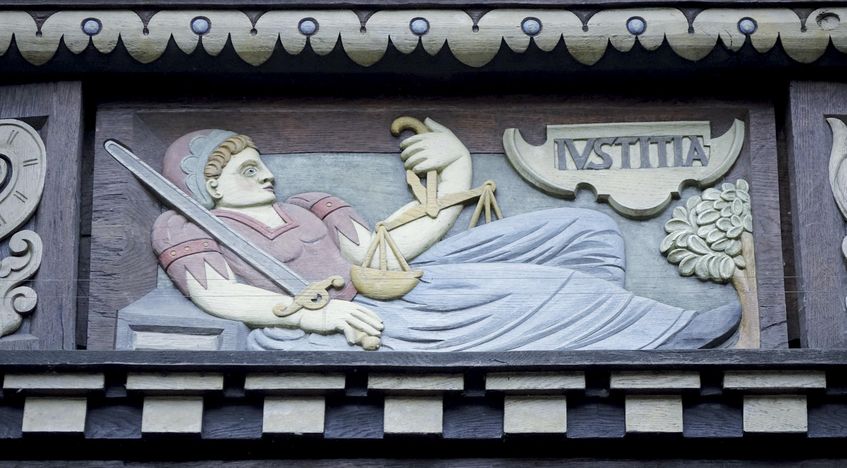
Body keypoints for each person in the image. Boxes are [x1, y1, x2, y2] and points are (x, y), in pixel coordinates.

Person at [152, 120, 741, 351]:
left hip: (386, 283)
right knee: (546, 288)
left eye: (262, 164)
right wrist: (317, 316)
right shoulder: (187, 227)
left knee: (586, 228)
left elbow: (389, 251)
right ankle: (655, 331)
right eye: (248, 170)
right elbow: (221, 296)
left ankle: (598, 327)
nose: (268, 175)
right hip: (352, 320)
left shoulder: (308, 206)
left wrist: (456, 166)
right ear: (209, 187)